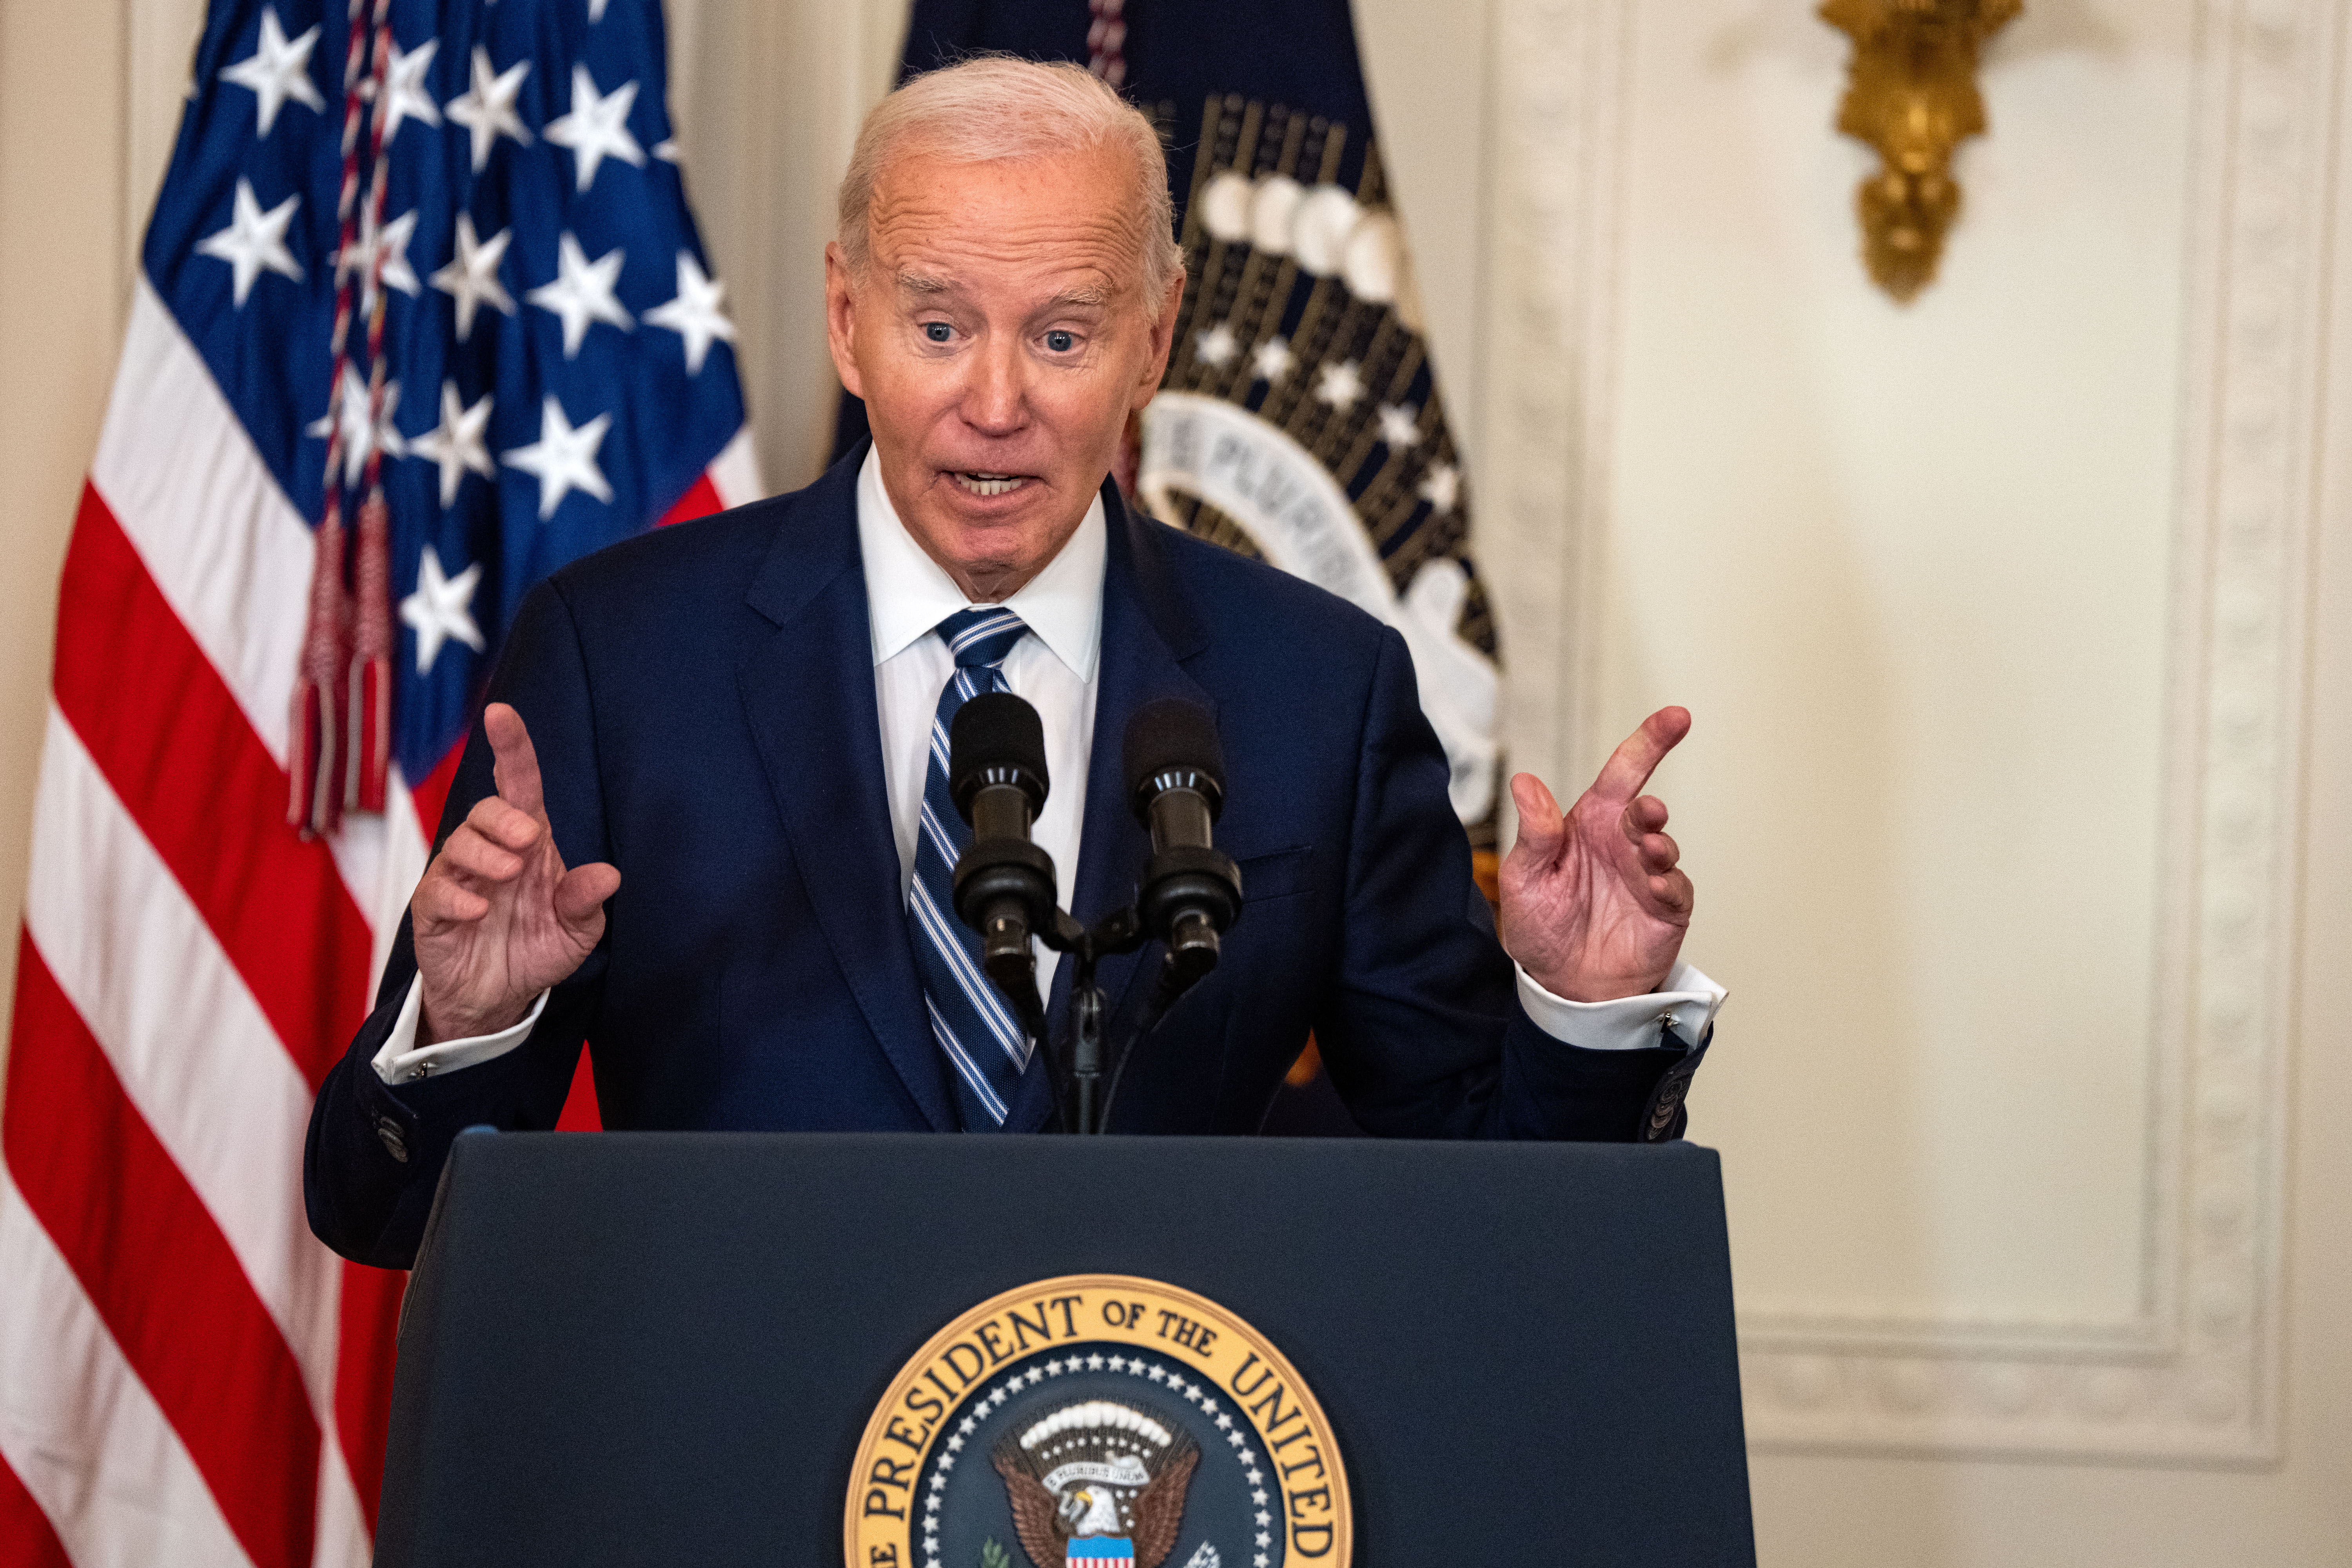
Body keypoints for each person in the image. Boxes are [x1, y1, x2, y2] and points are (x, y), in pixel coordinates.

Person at [303, 58, 1726, 1269]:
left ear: (1154, 340)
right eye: (938, 328)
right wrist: (471, 1027)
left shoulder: (1319, 691)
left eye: (1062, 334)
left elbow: (1496, 1213)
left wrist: (1583, 1009)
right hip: (741, 1470)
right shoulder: (620, 658)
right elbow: (385, 1213)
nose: (995, 405)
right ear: (846, 321)